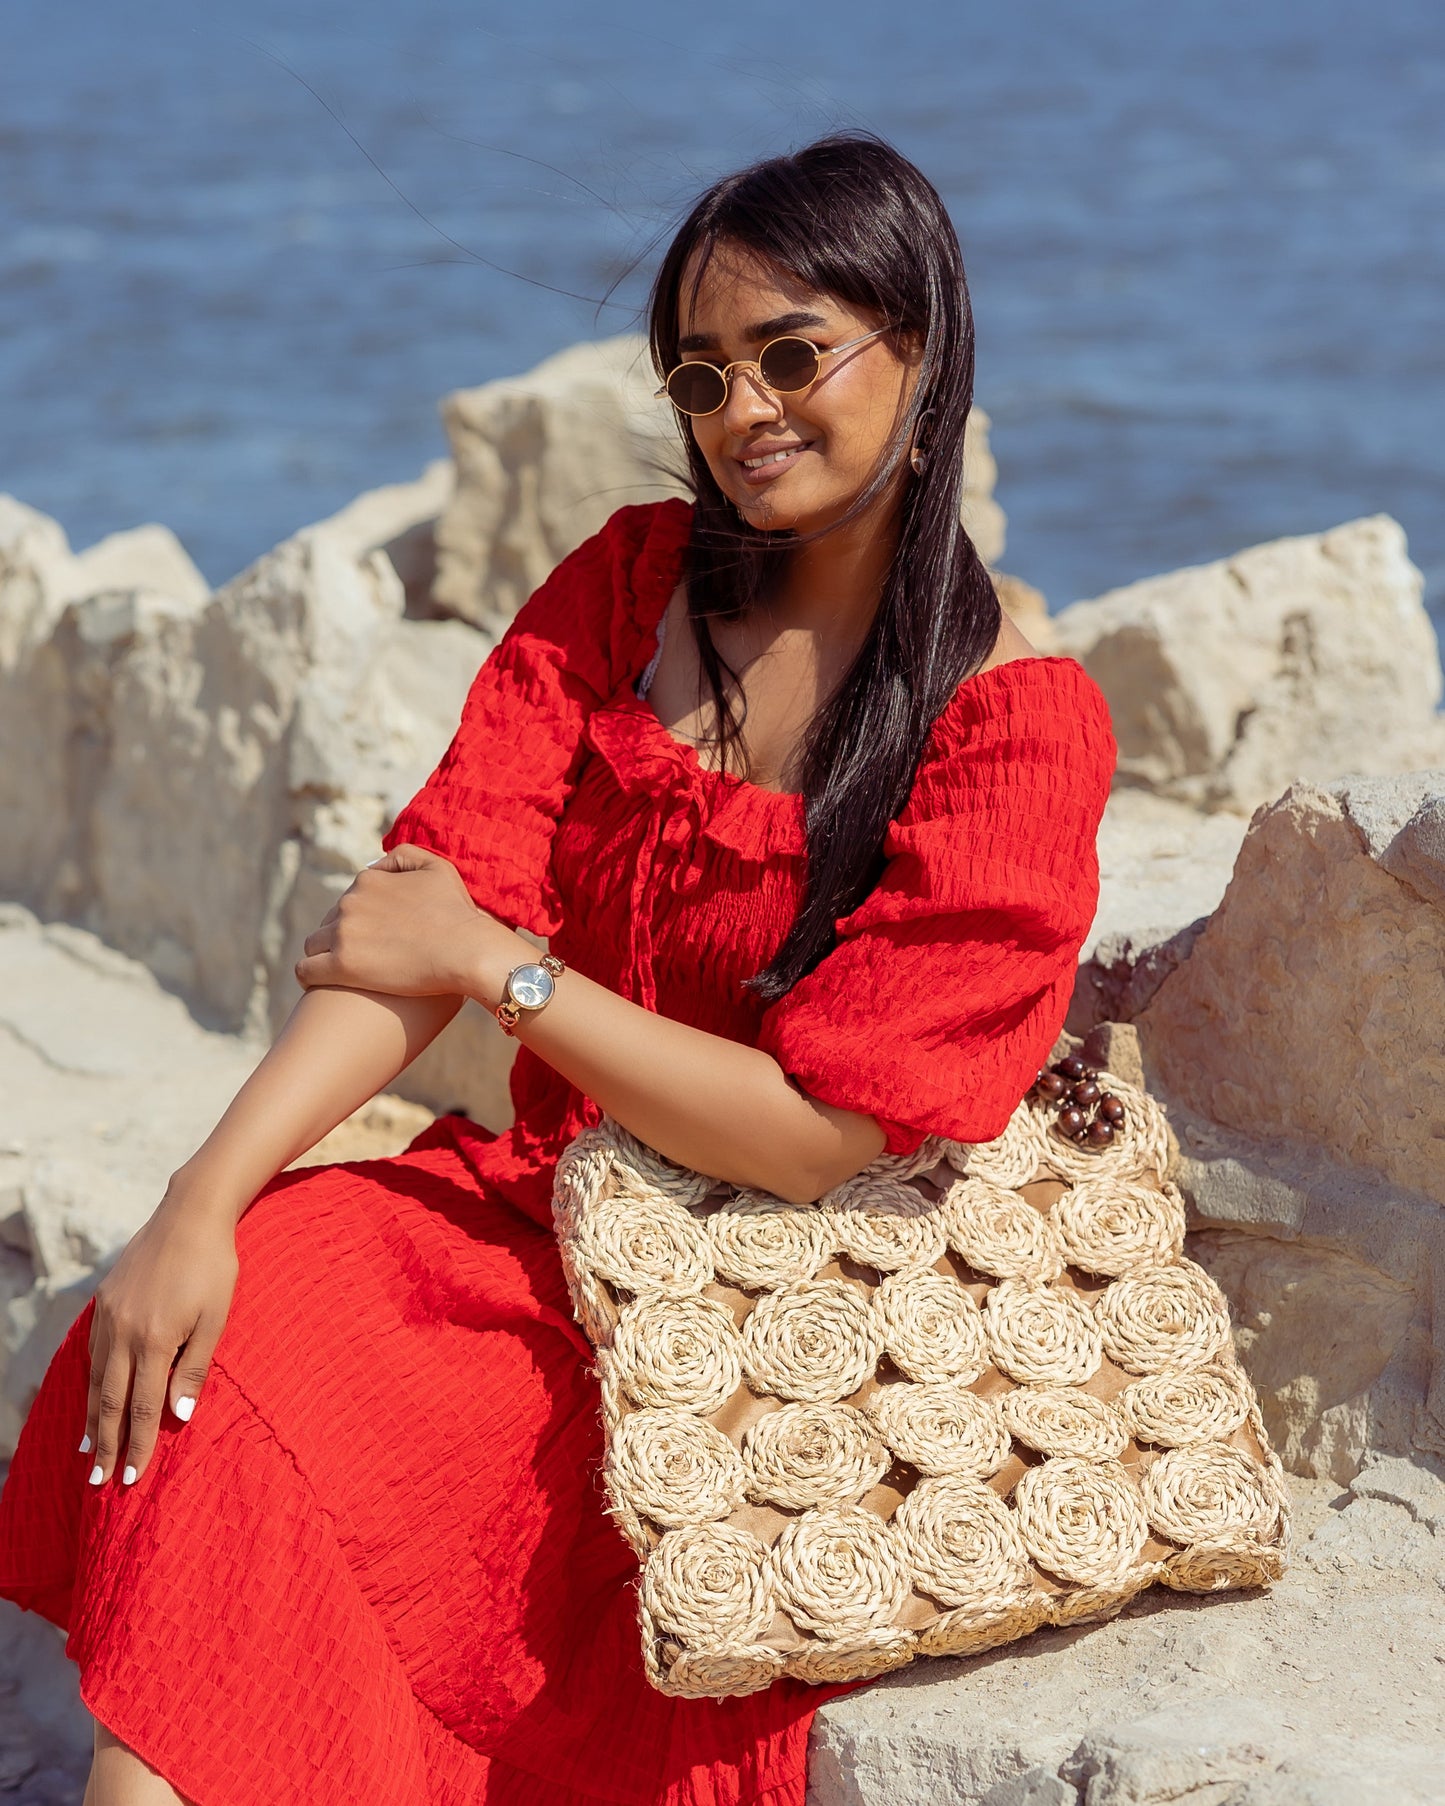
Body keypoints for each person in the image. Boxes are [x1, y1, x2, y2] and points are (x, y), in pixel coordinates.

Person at [0, 132, 1116, 1805]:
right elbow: (409, 935)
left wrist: (507, 971)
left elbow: (820, 1131)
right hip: (530, 1220)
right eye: (703, 372)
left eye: (792, 355)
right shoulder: (622, 585)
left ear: (924, 346)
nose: (744, 413)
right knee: (219, 1355)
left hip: (765, 1316)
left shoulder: (1009, 718)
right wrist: (197, 1198)